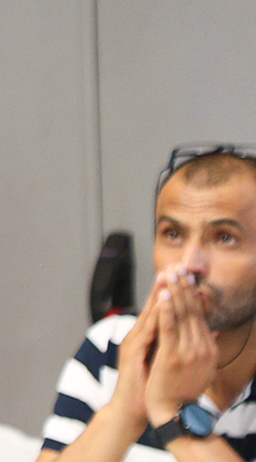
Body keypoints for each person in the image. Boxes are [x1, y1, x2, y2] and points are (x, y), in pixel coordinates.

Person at [38, 145, 256, 462]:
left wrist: (173, 415)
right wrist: (124, 410)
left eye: (224, 237)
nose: (189, 264)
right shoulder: (111, 344)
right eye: (173, 234)